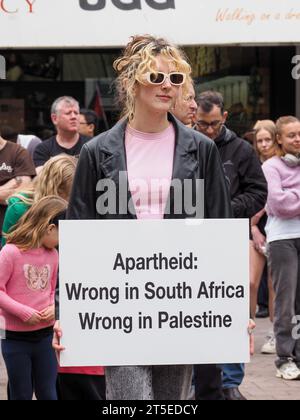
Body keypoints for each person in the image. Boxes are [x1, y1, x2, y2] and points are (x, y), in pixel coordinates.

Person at [53, 34, 233, 401]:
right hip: (117, 300)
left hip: (183, 299)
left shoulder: (202, 149)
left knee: (173, 401)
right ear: (132, 82)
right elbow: (78, 235)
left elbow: (221, 228)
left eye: (176, 79)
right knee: (130, 398)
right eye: (156, 77)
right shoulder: (96, 151)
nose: (167, 86)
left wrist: (232, 309)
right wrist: (64, 310)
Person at [194, 91, 268, 401]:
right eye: (202, 124)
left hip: (228, 239)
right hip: (191, 239)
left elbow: (258, 193)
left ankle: (231, 380)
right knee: (195, 309)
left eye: (213, 124)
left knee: (232, 308)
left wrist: (224, 207)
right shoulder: (187, 147)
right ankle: (199, 377)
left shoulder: (240, 150)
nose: (209, 130)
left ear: (224, 118)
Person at [0, 196, 67, 400]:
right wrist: (24, 312)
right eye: (62, 234)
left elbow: (50, 291)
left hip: (45, 337)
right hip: (14, 338)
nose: (63, 240)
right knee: (21, 394)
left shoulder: (53, 255)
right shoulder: (10, 253)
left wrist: (51, 308)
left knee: (48, 392)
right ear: (49, 228)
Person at [262, 116, 300, 380]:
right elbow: (278, 204)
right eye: (291, 135)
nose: (297, 139)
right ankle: (284, 358)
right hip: (282, 239)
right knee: (285, 303)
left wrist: (292, 195)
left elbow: (287, 201)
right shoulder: (271, 166)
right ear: (279, 139)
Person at [1, 155, 77, 247]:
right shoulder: (19, 207)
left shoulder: (74, 208)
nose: (73, 201)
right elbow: (8, 253)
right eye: (70, 195)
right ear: (56, 189)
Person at [251, 120, 277, 355]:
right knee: (250, 282)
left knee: (274, 285)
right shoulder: (253, 164)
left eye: (268, 139)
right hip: (256, 228)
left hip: (276, 228)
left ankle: (274, 333)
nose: (264, 144)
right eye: (260, 140)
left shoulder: (281, 165)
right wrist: (253, 227)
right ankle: (246, 331)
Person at [33, 97, 89, 173]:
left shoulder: (92, 146)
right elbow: (42, 179)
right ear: (54, 119)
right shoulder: (42, 150)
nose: (73, 117)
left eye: (76, 113)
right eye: (68, 113)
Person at [0, 131, 36, 245]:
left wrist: (16, 189)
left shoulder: (18, 152)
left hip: (12, 233)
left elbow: (22, 196)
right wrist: (13, 182)